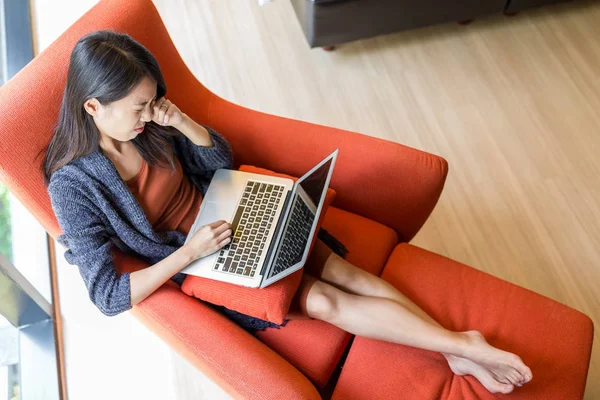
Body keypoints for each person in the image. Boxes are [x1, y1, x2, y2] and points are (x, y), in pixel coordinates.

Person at [42, 30, 532, 395]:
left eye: (153, 101)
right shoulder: (73, 185)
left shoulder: (151, 124)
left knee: (345, 272)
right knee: (323, 302)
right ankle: (462, 348)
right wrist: (189, 251)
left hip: (237, 208)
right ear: (92, 106)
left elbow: (219, 164)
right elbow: (106, 296)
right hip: (201, 259)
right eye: (139, 106)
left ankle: (454, 345)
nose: (149, 114)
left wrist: (182, 121)